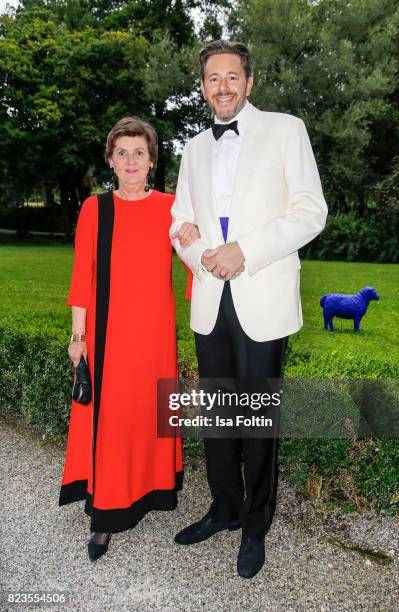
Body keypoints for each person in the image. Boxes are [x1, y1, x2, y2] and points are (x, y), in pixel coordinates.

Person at [170, 40, 328, 579]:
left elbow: (312, 211)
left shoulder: (287, 130)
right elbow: (180, 223)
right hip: (212, 298)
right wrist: (201, 256)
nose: (222, 87)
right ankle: (224, 506)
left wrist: (247, 252)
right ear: (203, 87)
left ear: (249, 82)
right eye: (213, 78)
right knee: (218, 414)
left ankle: (257, 521)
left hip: (264, 292)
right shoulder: (192, 149)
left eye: (232, 77)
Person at [59, 116, 197, 561]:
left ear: (152, 161)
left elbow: (197, 260)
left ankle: (151, 491)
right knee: (113, 420)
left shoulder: (172, 208)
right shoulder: (94, 209)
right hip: (109, 335)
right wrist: (78, 336)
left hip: (155, 335)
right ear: (110, 162)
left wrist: (198, 236)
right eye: (123, 153)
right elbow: (83, 275)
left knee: (148, 413)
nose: (131, 160)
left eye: (140, 152)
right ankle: (105, 515)